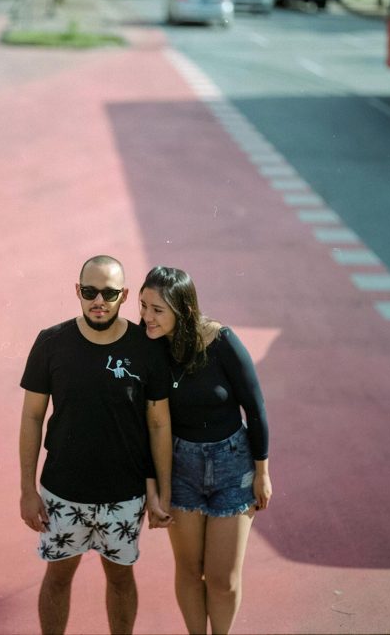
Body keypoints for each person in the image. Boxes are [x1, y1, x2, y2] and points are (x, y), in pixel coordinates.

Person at [19, 255, 172, 635]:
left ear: (124, 295)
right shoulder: (51, 342)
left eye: (109, 292)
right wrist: (26, 490)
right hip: (62, 492)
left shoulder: (145, 347)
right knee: (57, 578)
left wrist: (162, 493)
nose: (98, 301)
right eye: (90, 292)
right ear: (78, 292)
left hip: (125, 494)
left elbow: (158, 423)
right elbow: (32, 418)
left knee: (120, 580)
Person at [139, 266, 272, 635]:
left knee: (222, 578)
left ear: (182, 310)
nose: (147, 317)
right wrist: (156, 487)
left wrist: (262, 473)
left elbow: (256, 408)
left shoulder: (222, 341)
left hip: (234, 466)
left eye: (158, 310)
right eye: (143, 306)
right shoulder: (148, 346)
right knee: (188, 568)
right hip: (180, 468)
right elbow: (148, 425)